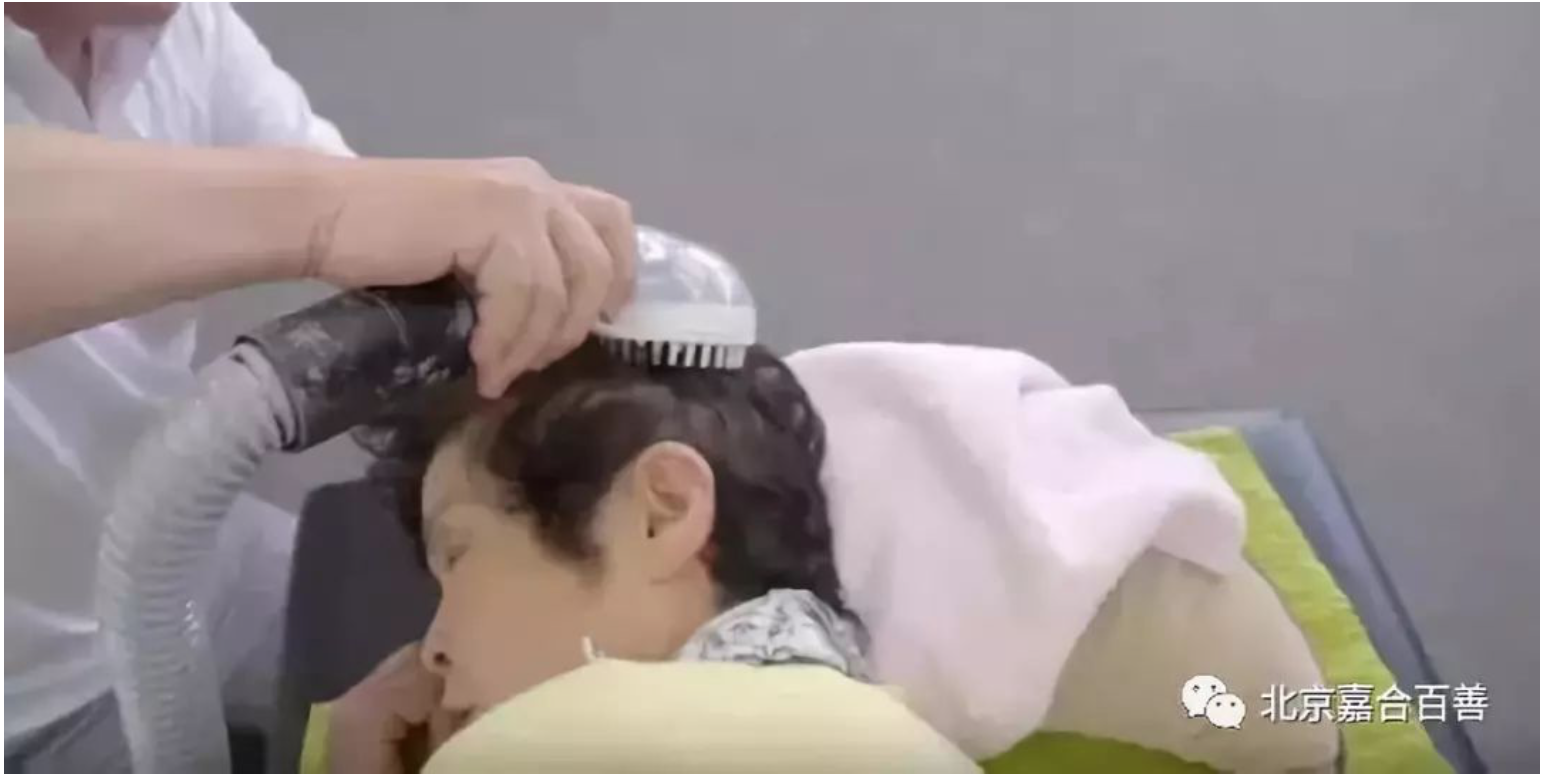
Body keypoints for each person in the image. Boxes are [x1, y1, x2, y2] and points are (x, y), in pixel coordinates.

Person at [4, 4, 634, 771]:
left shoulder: (180, 29)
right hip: (28, 701)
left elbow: (410, 252)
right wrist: (332, 211)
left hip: (195, 566)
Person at [320, 341, 975, 772]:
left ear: (663, 513)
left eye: (459, 554)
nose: (432, 650)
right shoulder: (918, 751)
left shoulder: (546, 750)